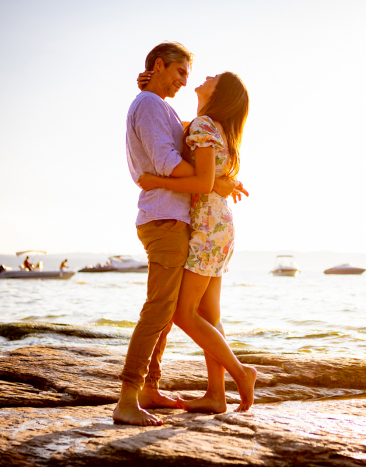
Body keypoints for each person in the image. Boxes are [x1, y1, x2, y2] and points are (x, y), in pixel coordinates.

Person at [113, 42, 243, 427]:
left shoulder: (158, 105)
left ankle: (150, 388)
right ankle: (127, 397)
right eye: (180, 72)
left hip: (174, 218)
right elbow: (170, 164)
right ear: (159, 65)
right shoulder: (151, 105)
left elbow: (186, 145)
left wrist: (211, 177)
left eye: (190, 75)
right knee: (159, 310)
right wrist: (211, 181)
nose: (186, 82)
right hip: (164, 220)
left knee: (167, 311)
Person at [137, 71, 257, 415]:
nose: (205, 76)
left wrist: (154, 180)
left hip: (206, 227)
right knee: (209, 315)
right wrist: (148, 88)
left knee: (181, 313)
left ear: (221, 93)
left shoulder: (205, 126)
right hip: (219, 227)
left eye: (214, 77)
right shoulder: (210, 127)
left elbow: (203, 183)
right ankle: (216, 396)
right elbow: (165, 123)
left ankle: (240, 373)